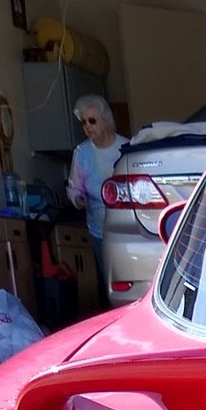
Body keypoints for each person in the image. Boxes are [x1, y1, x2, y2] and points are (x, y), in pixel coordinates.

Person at [65, 94, 124, 296]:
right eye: (84, 122)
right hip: (98, 229)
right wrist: (77, 199)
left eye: (92, 121)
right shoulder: (82, 153)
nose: (87, 126)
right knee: (109, 283)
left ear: (105, 120)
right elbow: (74, 187)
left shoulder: (125, 148)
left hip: (126, 227)